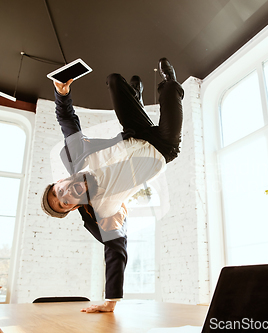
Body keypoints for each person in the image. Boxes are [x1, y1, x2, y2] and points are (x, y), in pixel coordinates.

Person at [41, 58, 184, 313]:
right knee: (171, 91)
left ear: (60, 181)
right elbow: (115, 250)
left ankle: (135, 96)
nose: (64, 194)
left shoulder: (77, 158)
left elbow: (66, 119)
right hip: (163, 147)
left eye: (57, 190)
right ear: (73, 208)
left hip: (137, 134)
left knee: (115, 81)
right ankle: (167, 82)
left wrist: (61, 92)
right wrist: (111, 302)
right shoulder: (103, 208)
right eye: (63, 203)